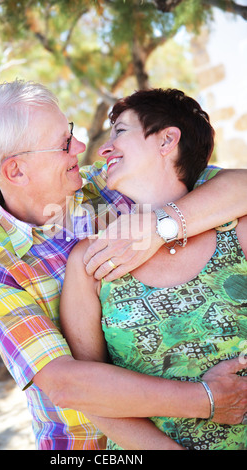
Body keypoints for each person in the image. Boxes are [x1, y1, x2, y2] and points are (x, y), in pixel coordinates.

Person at [0, 80, 247, 450]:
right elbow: (65, 382)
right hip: (84, 446)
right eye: (64, 143)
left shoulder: (109, 184)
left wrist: (162, 224)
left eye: (72, 133)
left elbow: (235, 187)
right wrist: (209, 400)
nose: (82, 147)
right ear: (16, 171)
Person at [60, 88, 247, 450]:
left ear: (167, 140)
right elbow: (92, 395)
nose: (104, 148)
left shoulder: (237, 231)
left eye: (121, 131)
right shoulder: (92, 261)